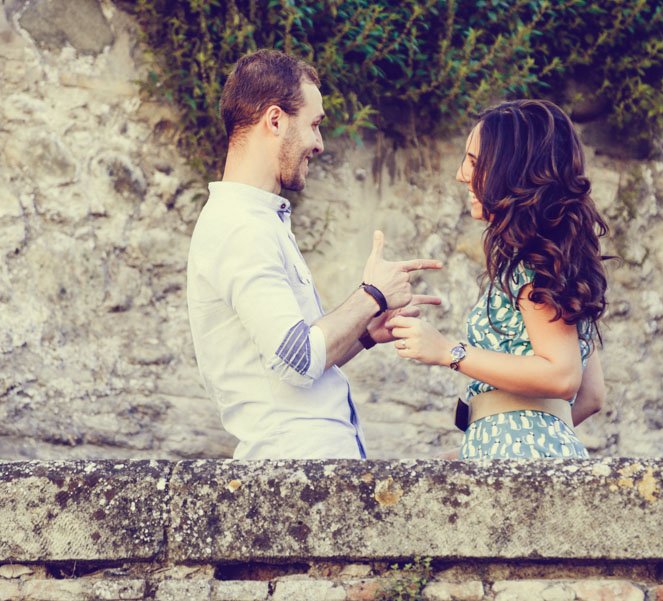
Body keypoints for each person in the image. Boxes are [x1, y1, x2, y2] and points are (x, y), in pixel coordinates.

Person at [187, 49, 442, 459]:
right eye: (315, 125)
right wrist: (372, 294)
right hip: (296, 464)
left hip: (306, 461)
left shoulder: (257, 219)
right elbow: (297, 359)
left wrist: (364, 331)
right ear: (275, 120)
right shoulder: (240, 225)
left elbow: (299, 361)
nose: (319, 144)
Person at [388, 99, 609, 459]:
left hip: (523, 466)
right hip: (528, 456)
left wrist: (447, 352)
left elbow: (562, 376)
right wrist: (483, 440)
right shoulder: (555, 260)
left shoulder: (533, 262)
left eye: (475, 162)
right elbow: (591, 395)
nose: (461, 174)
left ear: (514, 173)